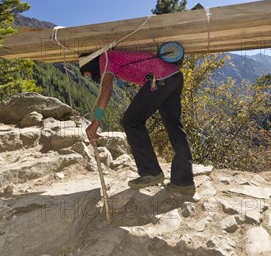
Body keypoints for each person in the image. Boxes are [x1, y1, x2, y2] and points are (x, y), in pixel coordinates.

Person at [81, 49, 195, 194]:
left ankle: (151, 172)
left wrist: (96, 120)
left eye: (87, 73)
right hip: (174, 76)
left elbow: (107, 88)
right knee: (174, 126)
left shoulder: (105, 58)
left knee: (131, 121)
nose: (90, 77)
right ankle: (183, 182)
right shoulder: (114, 56)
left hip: (160, 78)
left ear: (90, 64)